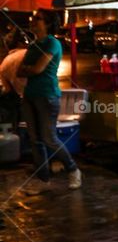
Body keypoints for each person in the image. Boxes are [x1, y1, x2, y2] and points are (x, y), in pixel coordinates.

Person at [16, 10, 82, 189]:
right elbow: (19, 71)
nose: (33, 21)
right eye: (33, 18)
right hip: (30, 95)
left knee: (48, 138)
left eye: (38, 19)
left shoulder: (52, 43)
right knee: (35, 139)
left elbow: (37, 69)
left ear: (47, 24)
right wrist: (30, 69)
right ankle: (43, 179)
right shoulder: (33, 45)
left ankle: (73, 169)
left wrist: (29, 69)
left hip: (47, 96)